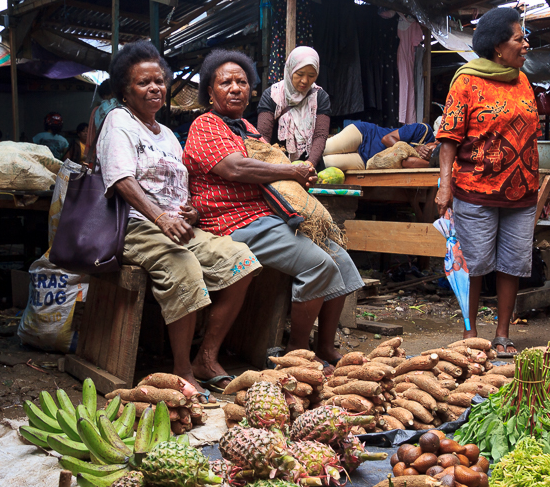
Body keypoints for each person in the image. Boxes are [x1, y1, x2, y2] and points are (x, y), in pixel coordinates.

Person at [98, 40, 261, 394]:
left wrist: (190, 209)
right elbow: (121, 180)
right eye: (143, 82)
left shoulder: (169, 135)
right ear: (125, 90)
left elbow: (181, 188)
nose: (155, 88)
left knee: (242, 261)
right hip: (135, 227)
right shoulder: (118, 122)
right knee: (183, 266)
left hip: (175, 226)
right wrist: (161, 218)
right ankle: (182, 370)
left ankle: (207, 357)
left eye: (159, 81)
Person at [183, 49, 363, 366]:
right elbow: (236, 169)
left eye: (242, 82)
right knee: (318, 265)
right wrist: (292, 171)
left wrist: (296, 177)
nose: (236, 88)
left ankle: (324, 347)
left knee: (342, 261)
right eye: (226, 83)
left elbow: (270, 165)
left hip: (265, 217)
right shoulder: (206, 125)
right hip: (231, 222)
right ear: (210, 92)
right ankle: (296, 354)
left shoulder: (249, 129)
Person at [434, 8, 540, 357]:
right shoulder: (466, 81)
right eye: (518, 38)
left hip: (522, 190)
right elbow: (448, 137)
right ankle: (471, 333)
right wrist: (445, 184)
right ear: (498, 46)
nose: (525, 44)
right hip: (475, 188)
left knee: (513, 263)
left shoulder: (522, 79)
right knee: (476, 264)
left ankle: (503, 334)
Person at [256, 46, 330, 169]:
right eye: (299, 74)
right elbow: (263, 136)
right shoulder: (273, 95)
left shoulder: (320, 97)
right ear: (290, 69)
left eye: (311, 75)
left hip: (311, 166)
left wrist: (310, 164)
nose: (305, 81)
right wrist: (269, 168)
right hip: (276, 165)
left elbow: (320, 136)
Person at [323, 120, 436, 170]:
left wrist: (430, 162)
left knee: (326, 163)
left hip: (366, 160)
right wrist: (413, 149)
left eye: (435, 156)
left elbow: (405, 162)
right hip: (365, 136)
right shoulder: (423, 130)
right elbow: (386, 139)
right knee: (323, 149)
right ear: (438, 141)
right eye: (434, 148)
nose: (431, 152)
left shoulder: (427, 162)